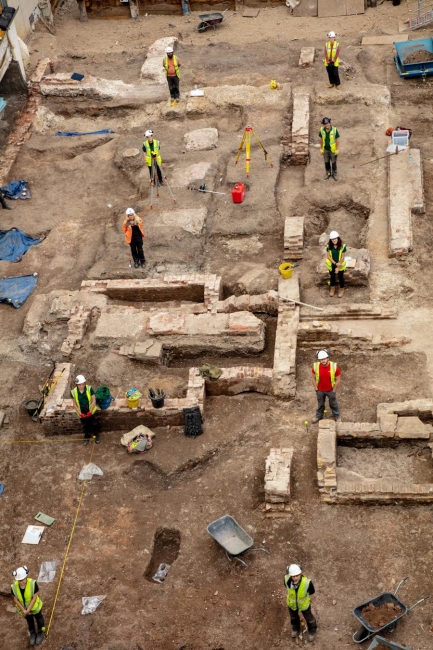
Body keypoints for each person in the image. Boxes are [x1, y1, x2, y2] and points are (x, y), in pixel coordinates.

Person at [11, 565, 45, 646]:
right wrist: (24, 610)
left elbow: (34, 597)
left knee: (39, 619)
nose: (21, 582)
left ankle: (41, 632)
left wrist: (28, 609)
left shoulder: (33, 583)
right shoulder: (14, 587)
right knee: (29, 622)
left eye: (22, 580)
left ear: (26, 577)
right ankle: (32, 633)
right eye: (19, 581)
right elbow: (15, 599)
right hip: (24, 610)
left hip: (34, 608)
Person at [284, 564, 317, 642]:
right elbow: (286, 586)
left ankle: (312, 630)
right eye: (293, 576)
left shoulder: (307, 582)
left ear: (300, 573)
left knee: (309, 618)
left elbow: (312, 591)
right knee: (293, 617)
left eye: (297, 575)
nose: (295, 578)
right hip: (292, 604)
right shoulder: (286, 579)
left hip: (304, 605)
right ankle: (295, 627)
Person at [311, 349, 341, 423]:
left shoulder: (334, 367)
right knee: (320, 404)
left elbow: (338, 380)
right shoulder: (315, 366)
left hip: (330, 390)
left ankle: (336, 415)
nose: (323, 361)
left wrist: (334, 391)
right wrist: (316, 389)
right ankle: (319, 416)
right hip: (320, 390)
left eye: (324, 359)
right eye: (321, 359)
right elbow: (313, 378)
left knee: (333, 403)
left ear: (328, 358)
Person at [71, 374, 99, 445]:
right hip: (81, 411)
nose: (81, 386)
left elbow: (93, 400)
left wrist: (90, 411)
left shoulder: (89, 389)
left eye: (82, 384)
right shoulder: (73, 392)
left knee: (94, 423)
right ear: (76, 384)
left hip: (90, 410)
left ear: (85, 383)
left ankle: (96, 435)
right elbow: (74, 404)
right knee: (85, 425)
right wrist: (80, 413)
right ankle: (87, 436)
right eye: (79, 385)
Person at [326, 230, 346, 298]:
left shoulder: (342, 246)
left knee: (341, 277)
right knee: (332, 277)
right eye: (332, 239)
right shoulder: (329, 246)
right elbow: (328, 256)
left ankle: (342, 289)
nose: (334, 240)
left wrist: (338, 266)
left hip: (340, 264)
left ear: (338, 238)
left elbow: (343, 257)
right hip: (332, 264)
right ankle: (332, 288)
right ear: (331, 240)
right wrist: (335, 263)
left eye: (335, 239)